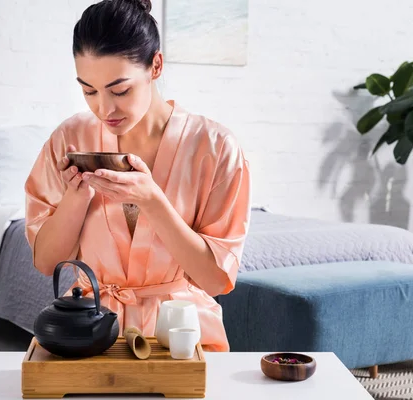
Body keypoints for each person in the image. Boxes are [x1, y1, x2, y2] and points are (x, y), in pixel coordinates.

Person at [24, 0, 251, 351]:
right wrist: (77, 196)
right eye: (88, 91)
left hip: (180, 335)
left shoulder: (215, 147)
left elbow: (215, 279)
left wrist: (151, 200)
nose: (104, 108)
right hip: (88, 329)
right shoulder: (68, 140)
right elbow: (47, 262)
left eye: (120, 90)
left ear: (155, 65)